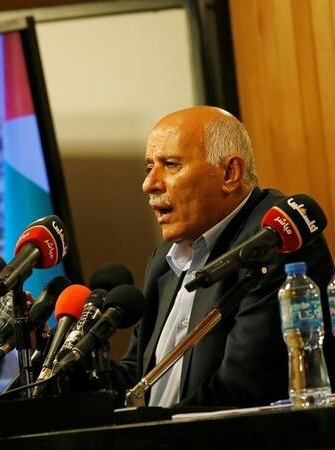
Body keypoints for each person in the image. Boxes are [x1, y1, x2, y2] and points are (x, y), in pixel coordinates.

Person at [115, 106, 335, 407]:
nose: (149, 184)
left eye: (170, 165)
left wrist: (148, 429)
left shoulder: (276, 241)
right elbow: (138, 375)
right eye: (149, 167)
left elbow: (240, 391)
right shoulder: (165, 260)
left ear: (230, 174)